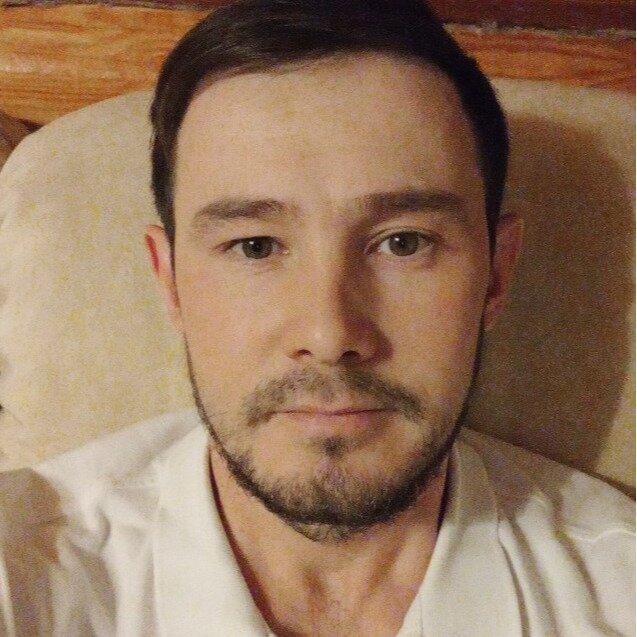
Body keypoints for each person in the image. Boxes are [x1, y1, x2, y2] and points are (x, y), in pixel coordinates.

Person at [0, 0, 634, 635]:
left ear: (495, 274)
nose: (329, 335)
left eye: (404, 243)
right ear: (170, 282)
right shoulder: (27, 576)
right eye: (255, 246)